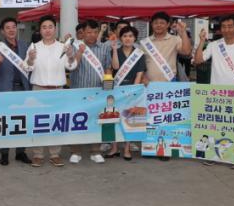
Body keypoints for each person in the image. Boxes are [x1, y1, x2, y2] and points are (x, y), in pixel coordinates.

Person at [26, 15, 77, 167]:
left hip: (57, 90)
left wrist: (70, 56)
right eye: (44, 27)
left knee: (56, 122)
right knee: (38, 123)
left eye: (50, 27)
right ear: (40, 30)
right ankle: (38, 154)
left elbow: (72, 66)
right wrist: (30, 59)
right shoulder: (34, 47)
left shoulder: (63, 47)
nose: (47, 30)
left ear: (55, 29)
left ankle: (55, 154)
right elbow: (26, 67)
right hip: (38, 90)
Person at [69, 19, 113, 164]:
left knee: (96, 121)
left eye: (95, 32)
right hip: (78, 91)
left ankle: (95, 151)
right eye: (89, 32)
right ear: (82, 33)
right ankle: (76, 151)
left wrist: (108, 85)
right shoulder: (76, 46)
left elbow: (108, 67)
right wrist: (79, 52)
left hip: (98, 92)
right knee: (77, 121)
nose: (92, 35)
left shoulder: (104, 48)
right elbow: (71, 66)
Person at [0, 17, 33, 165]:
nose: (11, 30)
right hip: (5, 89)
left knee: (22, 121)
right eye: (7, 28)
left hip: (22, 88)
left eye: (13, 27)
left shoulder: (24, 45)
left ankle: (21, 152)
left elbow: (30, 67)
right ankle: (4, 153)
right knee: (5, 122)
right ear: (3, 31)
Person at [105, 25, 146, 160]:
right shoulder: (114, 51)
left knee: (130, 118)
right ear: (120, 38)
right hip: (116, 89)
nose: (128, 39)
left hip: (132, 90)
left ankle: (127, 148)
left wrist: (133, 92)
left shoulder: (139, 54)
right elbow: (115, 67)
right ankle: (114, 148)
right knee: (113, 117)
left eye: (130, 36)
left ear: (134, 38)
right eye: (125, 36)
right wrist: (114, 50)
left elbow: (139, 74)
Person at [193, 15, 234, 94]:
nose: (226, 30)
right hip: (217, 92)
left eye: (230, 27)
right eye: (223, 27)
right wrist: (202, 41)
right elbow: (198, 60)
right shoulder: (213, 45)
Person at [142, 11, 192, 84]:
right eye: (155, 23)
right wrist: (143, 77)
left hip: (169, 84)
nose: (158, 25)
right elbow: (140, 64)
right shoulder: (145, 42)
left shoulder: (175, 39)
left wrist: (183, 31)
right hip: (149, 84)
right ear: (152, 24)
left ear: (168, 24)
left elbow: (186, 52)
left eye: (162, 23)